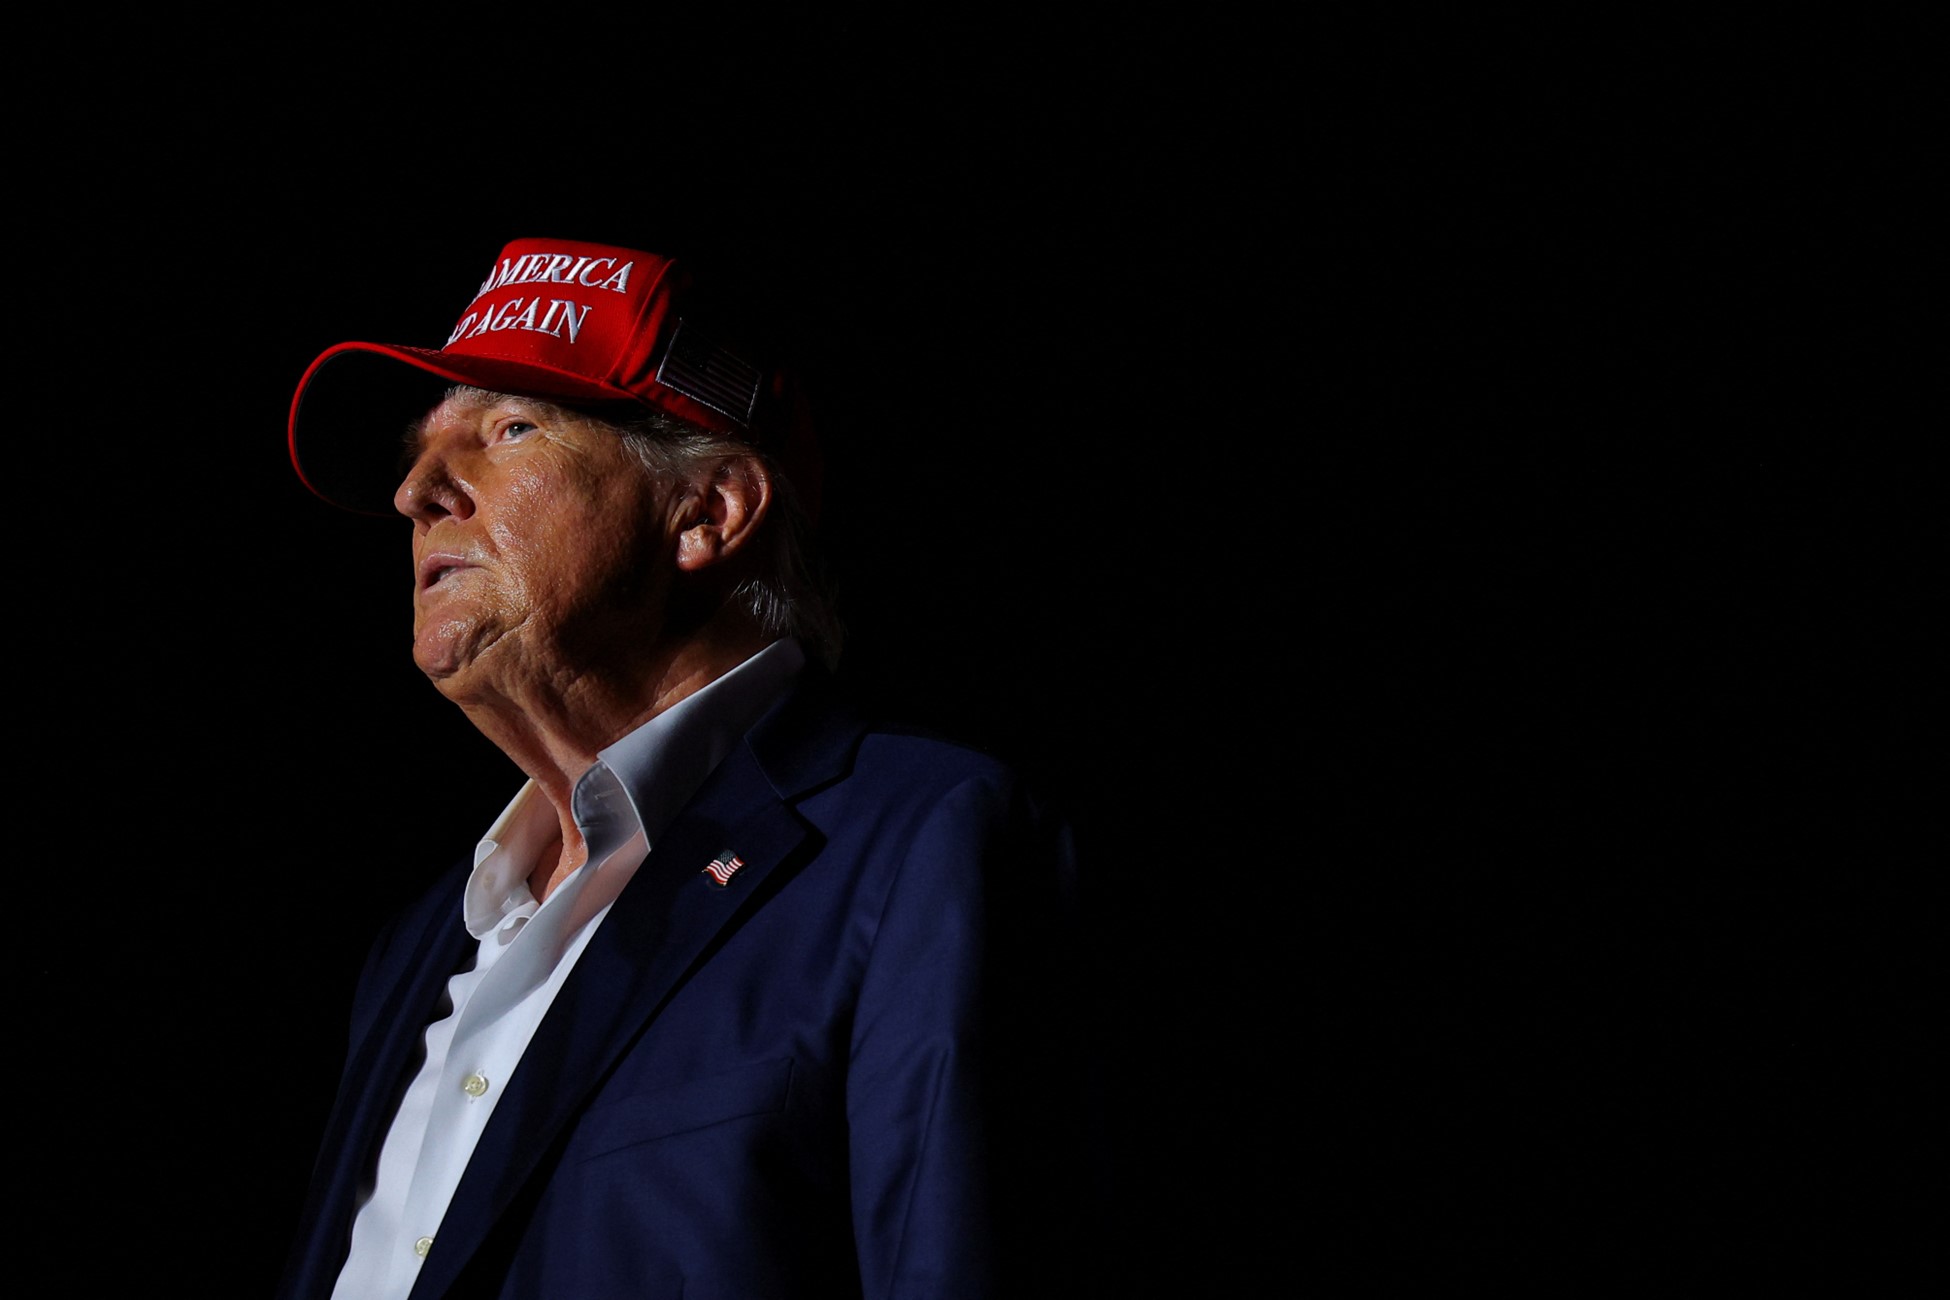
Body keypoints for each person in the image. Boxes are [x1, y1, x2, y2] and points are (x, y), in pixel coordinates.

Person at [272, 236, 1093, 1299]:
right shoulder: (415, 947)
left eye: (508, 428)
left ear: (708, 511)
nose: (418, 490)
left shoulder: (925, 848)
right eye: (422, 450)